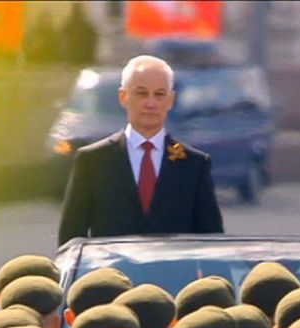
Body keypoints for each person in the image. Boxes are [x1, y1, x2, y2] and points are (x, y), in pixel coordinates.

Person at [58, 55, 224, 245]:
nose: (150, 103)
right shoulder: (93, 161)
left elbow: (212, 243)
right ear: (123, 97)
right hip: (111, 265)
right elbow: (71, 240)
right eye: (141, 93)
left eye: (159, 94)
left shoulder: (194, 164)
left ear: (171, 100)